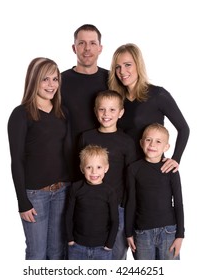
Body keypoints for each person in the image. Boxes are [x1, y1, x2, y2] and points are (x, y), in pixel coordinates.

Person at [7, 57, 72, 260]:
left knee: (57, 252)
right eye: (45, 79)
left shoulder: (63, 112)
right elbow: (16, 160)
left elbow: (67, 153)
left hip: (62, 190)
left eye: (55, 79)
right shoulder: (21, 114)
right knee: (37, 253)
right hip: (36, 196)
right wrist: (22, 202)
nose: (51, 85)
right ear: (34, 80)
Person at [108, 43, 190, 173]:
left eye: (127, 65)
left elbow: (183, 128)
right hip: (123, 170)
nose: (122, 71)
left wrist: (176, 158)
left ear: (138, 65)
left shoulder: (158, 95)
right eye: (117, 67)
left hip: (150, 171)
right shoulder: (117, 100)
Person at [79, 90, 137, 259]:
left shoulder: (126, 142)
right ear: (95, 111)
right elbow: (80, 172)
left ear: (121, 112)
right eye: (102, 109)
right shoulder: (86, 137)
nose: (106, 114)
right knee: (93, 254)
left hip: (117, 207)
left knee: (117, 254)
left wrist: (126, 206)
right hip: (90, 206)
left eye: (112, 110)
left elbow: (130, 179)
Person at [125, 123, 184, 260]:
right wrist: (128, 233)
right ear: (141, 142)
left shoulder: (170, 168)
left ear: (166, 147)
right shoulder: (133, 169)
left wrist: (180, 234)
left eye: (158, 141)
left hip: (168, 231)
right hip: (142, 232)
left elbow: (179, 202)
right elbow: (131, 201)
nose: (152, 144)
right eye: (148, 139)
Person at [61, 24, 109, 180]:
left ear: (100, 48)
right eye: (81, 43)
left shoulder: (112, 80)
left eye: (92, 43)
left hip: (105, 166)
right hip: (68, 167)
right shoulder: (60, 81)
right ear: (74, 48)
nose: (87, 48)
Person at [65, 144, 119, 260]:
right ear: (81, 168)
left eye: (99, 167)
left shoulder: (109, 192)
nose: (94, 172)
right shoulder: (76, 188)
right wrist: (70, 239)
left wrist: (110, 244)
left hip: (102, 247)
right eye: (89, 167)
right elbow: (69, 215)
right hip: (77, 246)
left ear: (106, 168)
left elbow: (114, 220)